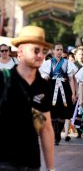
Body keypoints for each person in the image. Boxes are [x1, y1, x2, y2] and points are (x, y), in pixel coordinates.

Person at [0, 25, 54, 170]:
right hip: (4, 162)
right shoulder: (4, 80)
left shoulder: (44, 86)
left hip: (32, 162)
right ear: (21, 51)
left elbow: (46, 128)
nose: (40, 55)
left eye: (43, 51)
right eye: (35, 50)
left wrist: (51, 168)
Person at [39, 42, 76, 145]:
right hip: (51, 87)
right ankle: (55, 135)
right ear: (53, 51)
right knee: (52, 113)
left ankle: (58, 132)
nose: (59, 51)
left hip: (64, 88)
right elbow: (44, 77)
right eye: (58, 49)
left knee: (62, 114)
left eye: (61, 49)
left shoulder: (67, 63)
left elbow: (71, 79)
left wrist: (73, 93)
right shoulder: (48, 63)